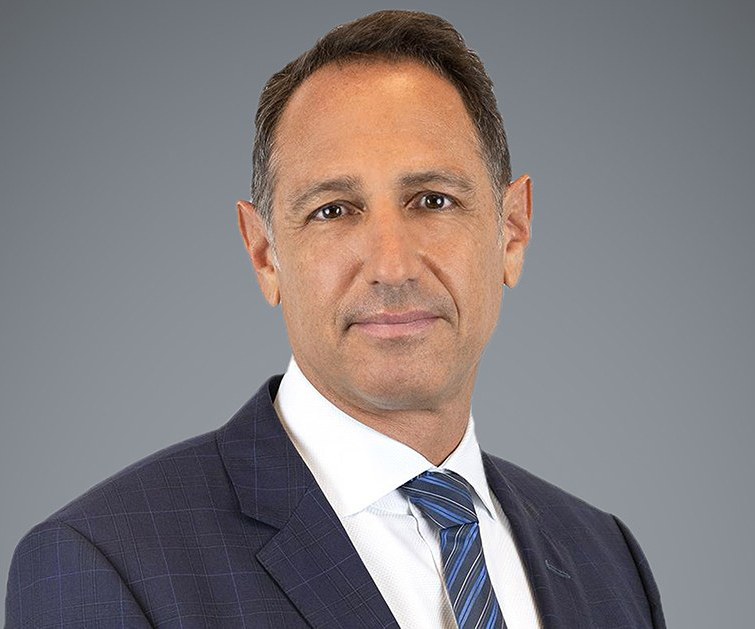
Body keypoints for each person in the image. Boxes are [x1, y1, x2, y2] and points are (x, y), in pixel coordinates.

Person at [4, 10, 665, 629]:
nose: (392, 265)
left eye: (433, 200)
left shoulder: (606, 560)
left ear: (511, 231)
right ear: (264, 254)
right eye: (333, 210)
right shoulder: (104, 563)